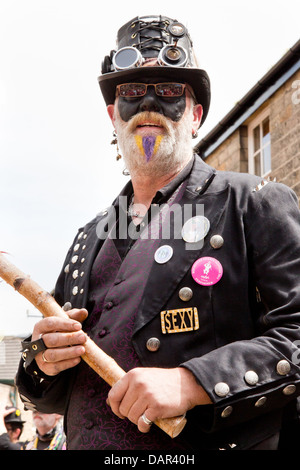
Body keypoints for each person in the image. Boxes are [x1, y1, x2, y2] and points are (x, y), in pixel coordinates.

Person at [16, 15, 300, 450]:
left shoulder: (253, 202)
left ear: (195, 115)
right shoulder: (88, 237)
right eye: (131, 92)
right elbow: (48, 395)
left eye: (170, 91)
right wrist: (44, 360)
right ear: (114, 116)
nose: (149, 103)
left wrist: (192, 384)